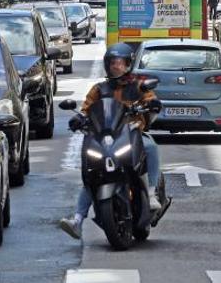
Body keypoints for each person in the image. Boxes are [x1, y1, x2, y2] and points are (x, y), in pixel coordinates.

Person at [58, 43, 162, 240]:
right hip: (105, 137)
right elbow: (86, 108)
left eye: (120, 63)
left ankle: (152, 192)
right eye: (113, 63)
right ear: (107, 65)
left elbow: (150, 98)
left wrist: (152, 104)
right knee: (92, 174)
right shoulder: (99, 89)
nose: (116, 67)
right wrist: (78, 118)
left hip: (131, 134)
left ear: (128, 64)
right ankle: (78, 219)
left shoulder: (138, 85)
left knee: (151, 147)